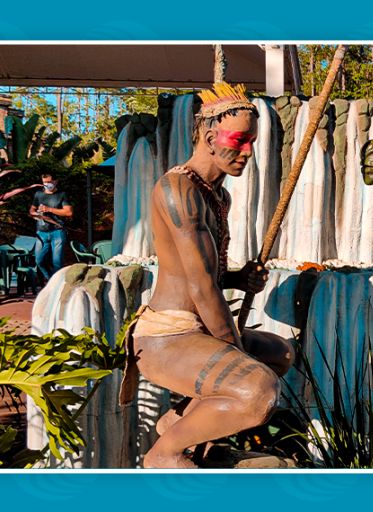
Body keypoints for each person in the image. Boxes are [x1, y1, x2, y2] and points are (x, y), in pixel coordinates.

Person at [117, 82, 294, 469]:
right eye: (240, 140)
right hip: (167, 336)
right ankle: (163, 455)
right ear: (211, 137)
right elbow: (199, 286)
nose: (247, 152)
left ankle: (181, 423)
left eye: (252, 143)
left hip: (195, 331)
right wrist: (232, 346)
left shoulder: (217, 195)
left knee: (280, 353)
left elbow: (205, 273)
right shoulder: (178, 189)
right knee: (257, 390)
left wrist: (238, 279)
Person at [29, 173, 73, 281]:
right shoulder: (39, 194)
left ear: (55, 181)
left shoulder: (61, 195)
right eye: (44, 183)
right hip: (42, 231)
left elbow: (69, 212)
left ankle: (57, 285)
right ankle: (52, 281)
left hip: (57, 231)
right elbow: (31, 210)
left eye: (48, 182)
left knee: (57, 261)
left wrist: (50, 209)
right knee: (39, 260)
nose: (46, 185)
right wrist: (36, 215)